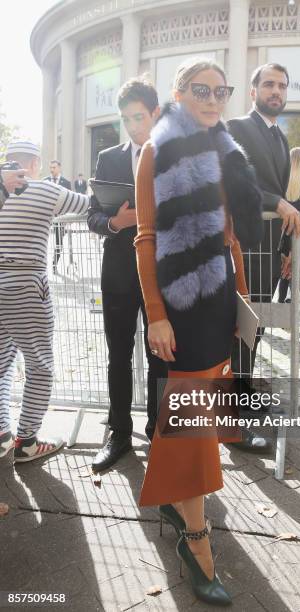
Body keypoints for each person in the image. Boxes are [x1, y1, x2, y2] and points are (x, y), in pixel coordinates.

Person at [134, 57, 262, 606]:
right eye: (200, 90)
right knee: (194, 420)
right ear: (180, 93)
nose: (212, 99)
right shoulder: (156, 148)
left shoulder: (225, 148)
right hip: (180, 306)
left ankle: (174, 500)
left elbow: (232, 230)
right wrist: (157, 313)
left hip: (217, 297)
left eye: (221, 91)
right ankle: (196, 538)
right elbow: (144, 239)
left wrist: (242, 291)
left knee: (202, 409)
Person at [87, 77, 167, 473]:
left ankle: (159, 433)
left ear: (155, 112)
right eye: (127, 119)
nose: (134, 125)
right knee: (118, 354)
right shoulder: (109, 158)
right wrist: (116, 222)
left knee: (160, 356)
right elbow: (92, 216)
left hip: (161, 272)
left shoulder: (172, 154)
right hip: (118, 270)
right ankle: (119, 432)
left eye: (140, 116)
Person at [0, 140, 89, 462]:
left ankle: (1, 434)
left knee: (2, 361)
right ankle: (27, 441)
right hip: (26, 285)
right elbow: (89, 205)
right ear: (35, 163)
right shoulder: (45, 191)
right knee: (40, 365)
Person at [227, 63, 300, 415]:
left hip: (271, 246)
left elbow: (278, 189)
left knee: (254, 323)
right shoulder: (236, 128)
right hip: (245, 245)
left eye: (283, 86)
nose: (277, 91)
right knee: (241, 322)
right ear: (253, 91)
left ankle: (242, 385)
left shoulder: (280, 135)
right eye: (270, 84)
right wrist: (276, 202)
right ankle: (233, 394)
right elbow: (236, 181)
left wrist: (287, 248)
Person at [278, 147, 300, 303]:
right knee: (296, 267)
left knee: (284, 266)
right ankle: (292, 300)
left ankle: (280, 300)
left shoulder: (283, 180)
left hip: (283, 228)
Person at [44, 160, 72, 273]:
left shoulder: (66, 183)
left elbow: (69, 200)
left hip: (60, 218)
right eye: (50, 167)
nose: (51, 170)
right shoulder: (44, 181)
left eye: (54, 167)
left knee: (58, 242)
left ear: (59, 168)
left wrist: (68, 218)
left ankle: (54, 264)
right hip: (45, 217)